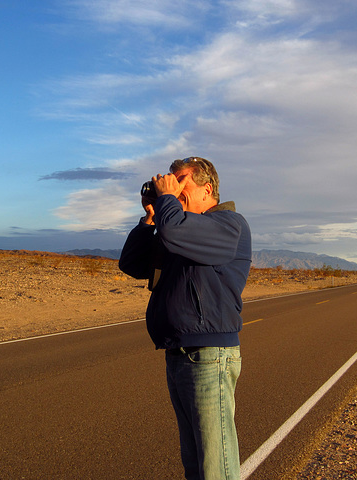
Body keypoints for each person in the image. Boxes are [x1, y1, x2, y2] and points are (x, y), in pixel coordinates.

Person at [119, 156, 252, 480]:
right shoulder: (177, 232)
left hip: (208, 356)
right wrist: (150, 218)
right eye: (170, 182)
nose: (173, 190)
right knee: (194, 462)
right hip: (179, 353)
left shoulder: (229, 225)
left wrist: (167, 201)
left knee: (214, 466)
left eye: (181, 183)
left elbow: (177, 230)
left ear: (207, 190)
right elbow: (133, 264)